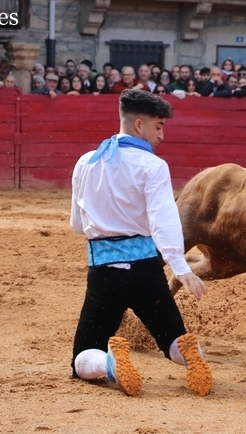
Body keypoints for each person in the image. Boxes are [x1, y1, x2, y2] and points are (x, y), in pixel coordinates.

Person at [69, 89, 212, 397]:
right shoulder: (153, 165)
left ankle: (108, 365)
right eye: (158, 126)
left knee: (83, 354)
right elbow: (164, 220)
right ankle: (192, 356)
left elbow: (77, 225)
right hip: (146, 271)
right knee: (173, 338)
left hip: (105, 271)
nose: (162, 134)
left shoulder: (86, 163)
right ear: (138, 126)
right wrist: (180, 266)